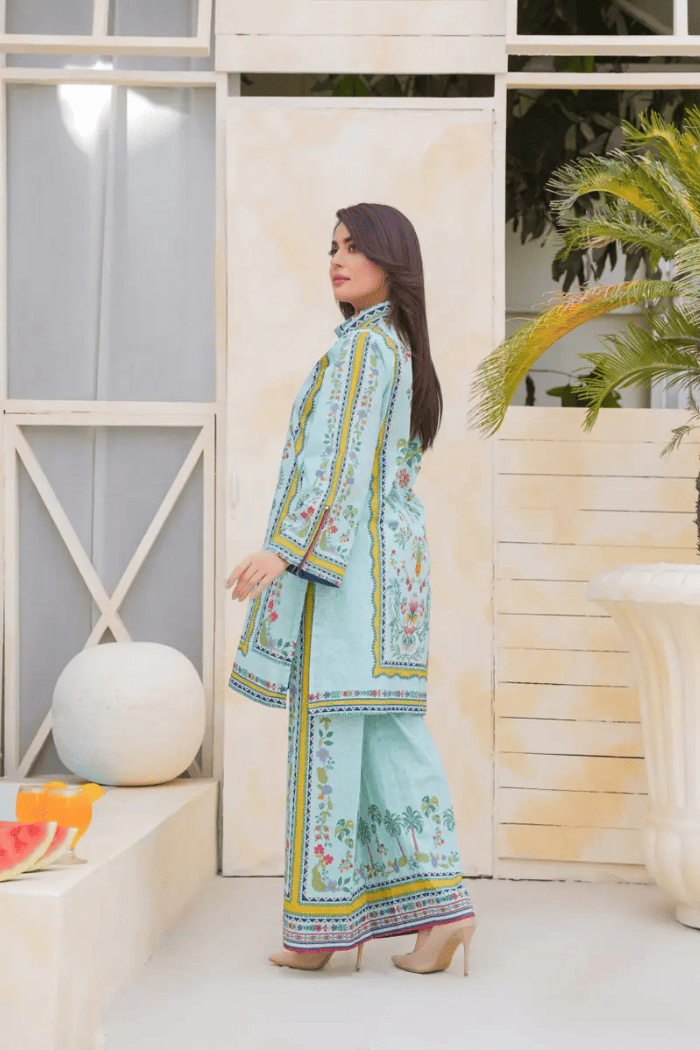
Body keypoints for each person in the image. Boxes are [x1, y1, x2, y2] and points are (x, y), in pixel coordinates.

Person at [226, 202, 476, 975]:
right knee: (389, 738)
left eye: (353, 247)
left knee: (334, 740)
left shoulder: (368, 348)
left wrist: (285, 549)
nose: (336, 260)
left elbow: (338, 461)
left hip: (350, 581)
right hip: (389, 580)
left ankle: (331, 928)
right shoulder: (394, 344)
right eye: (332, 247)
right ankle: (437, 916)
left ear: (389, 260)